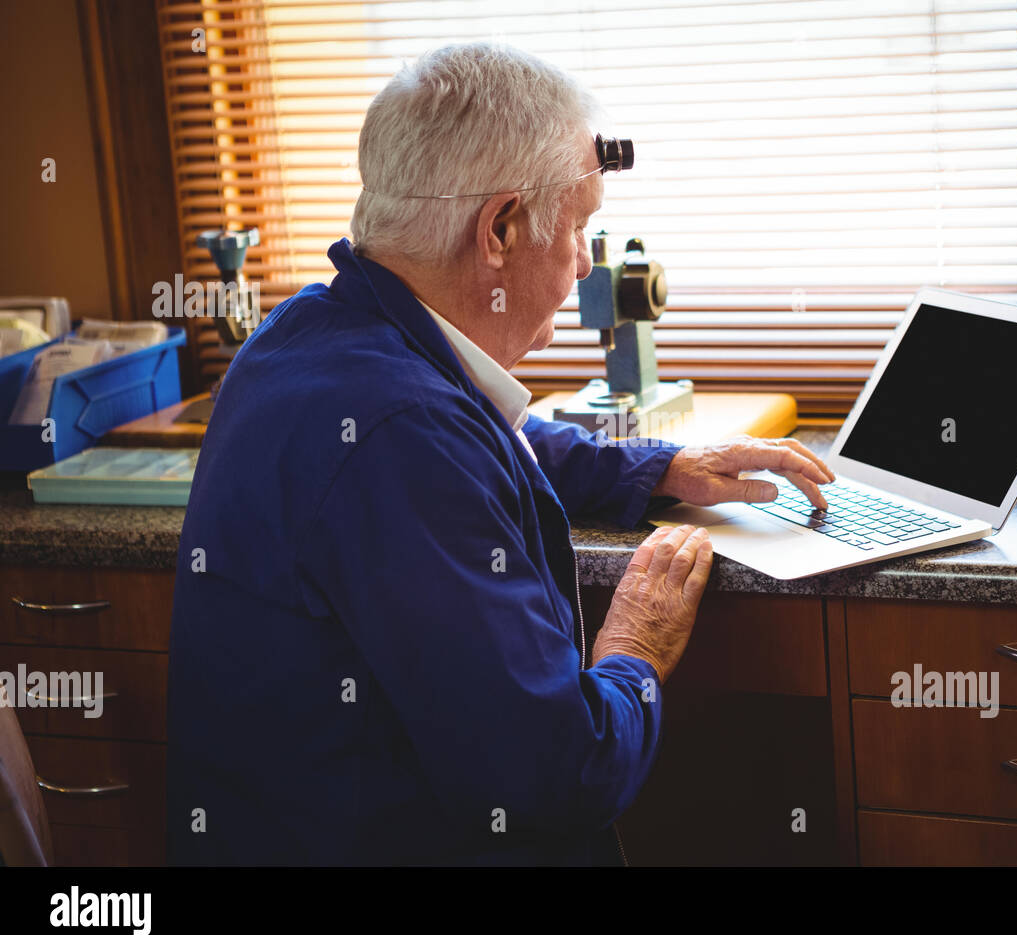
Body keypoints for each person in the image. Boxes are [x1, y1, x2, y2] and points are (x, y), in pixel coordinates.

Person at [167, 42, 833, 866]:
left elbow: (478, 431)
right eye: (580, 226)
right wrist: (633, 647)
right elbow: (562, 777)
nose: (584, 262)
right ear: (501, 229)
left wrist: (654, 467)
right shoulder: (399, 434)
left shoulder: (314, 331)